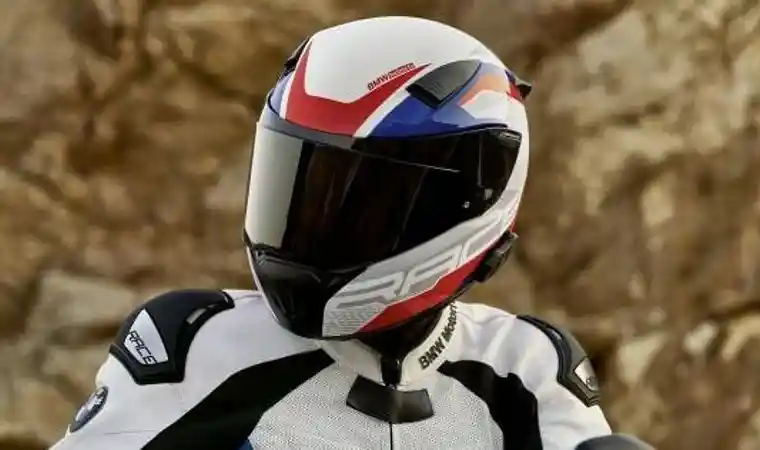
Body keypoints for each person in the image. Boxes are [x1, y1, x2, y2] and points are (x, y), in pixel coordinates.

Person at [50, 15, 648, 450]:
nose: (316, 223)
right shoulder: (195, 346)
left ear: (467, 207)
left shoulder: (525, 367)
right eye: (303, 188)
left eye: (365, 204)